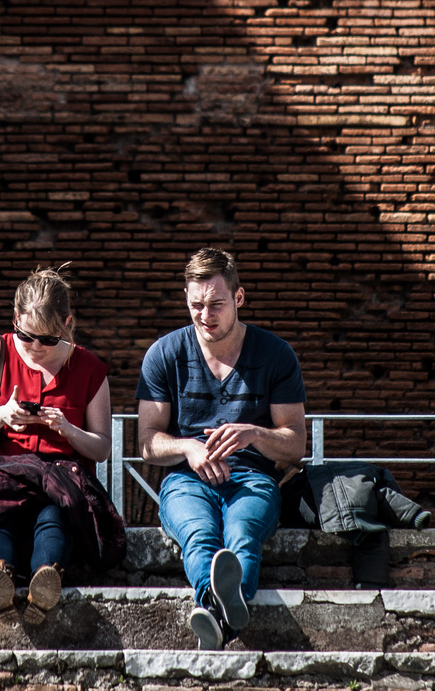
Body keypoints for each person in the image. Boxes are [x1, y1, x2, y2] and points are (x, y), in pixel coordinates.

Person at [137, 248, 306, 650]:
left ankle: (213, 614)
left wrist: (254, 434)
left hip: (253, 478)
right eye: (196, 304)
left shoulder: (275, 354)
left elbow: (296, 444)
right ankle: (225, 611)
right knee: (199, 534)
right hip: (186, 478)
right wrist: (188, 448)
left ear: (239, 298)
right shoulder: (164, 354)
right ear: (185, 298)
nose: (205, 315)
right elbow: (147, 442)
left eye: (216, 304)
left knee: (242, 533)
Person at [0, 264, 114, 621]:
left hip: (62, 476)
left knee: (55, 513)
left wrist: (69, 429)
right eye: (26, 336)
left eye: (48, 339)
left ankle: (46, 580)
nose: (36, 347)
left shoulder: (89, 368)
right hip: (5, 471)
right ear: (15, 319)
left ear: (67, 324)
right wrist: (3, 415)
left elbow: (102, 448)